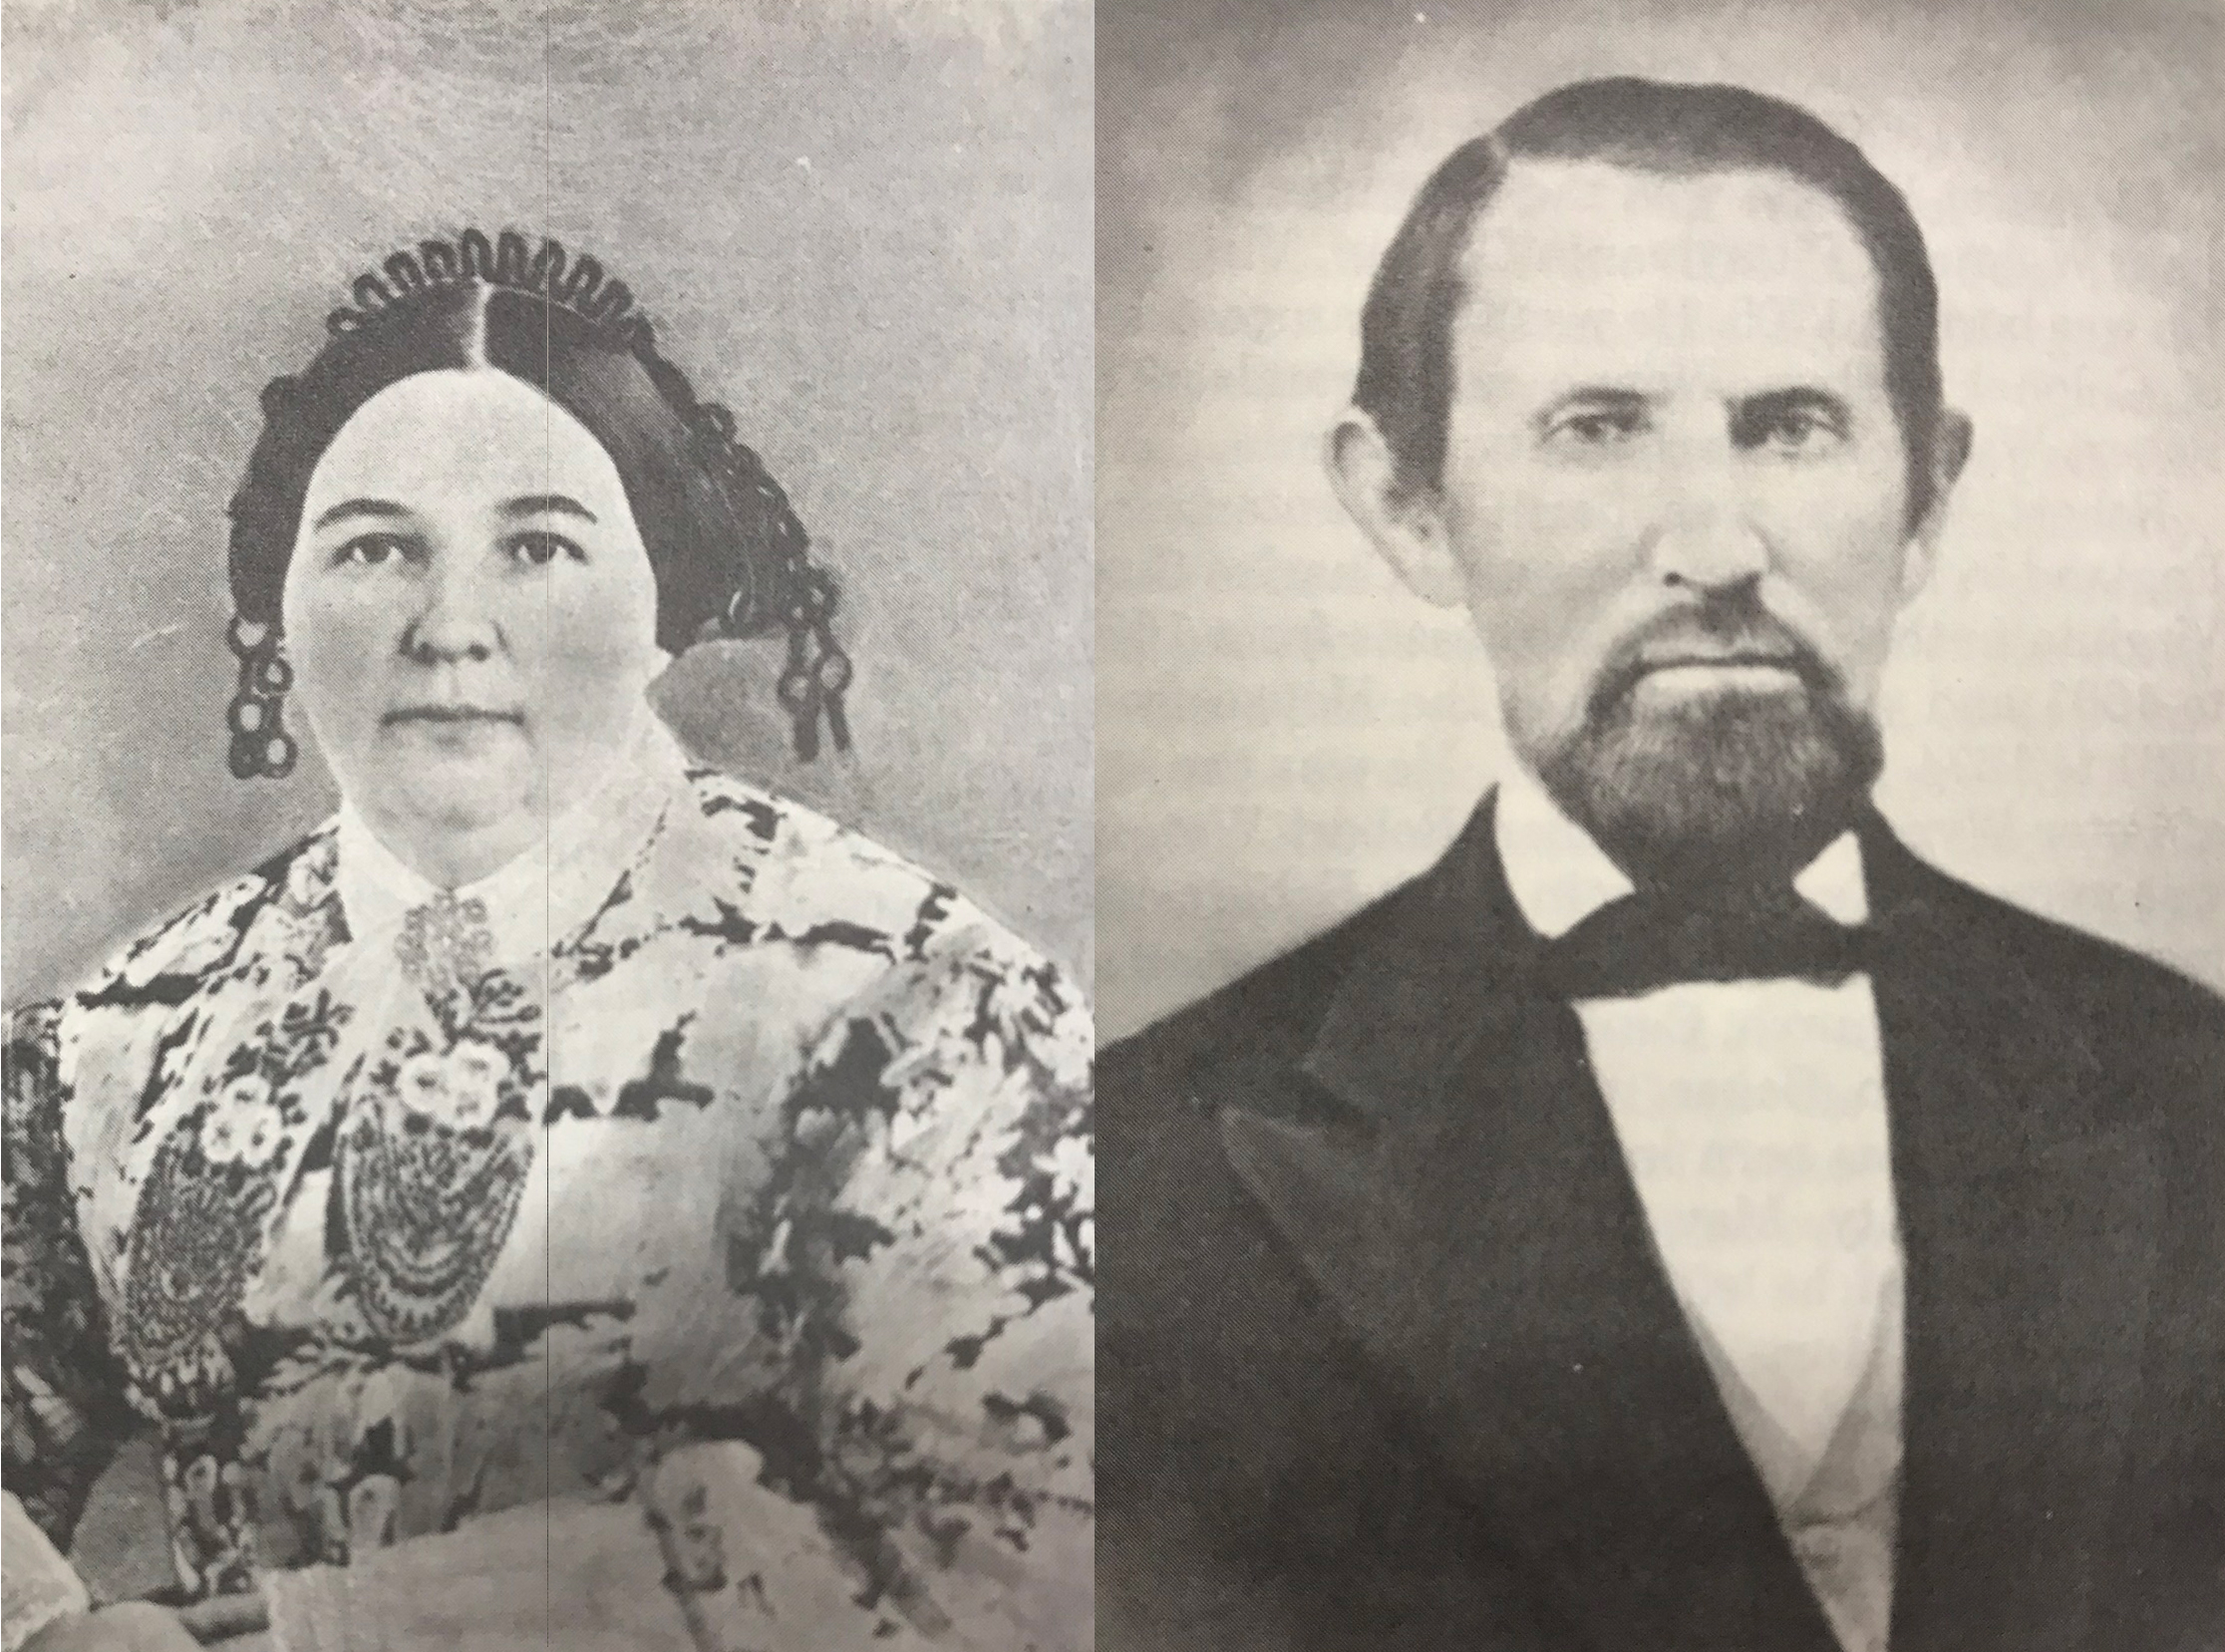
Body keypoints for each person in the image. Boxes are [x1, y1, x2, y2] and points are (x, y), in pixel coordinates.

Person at [1100, 79, 2223, 1652]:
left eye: (1793, 425)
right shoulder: (1136, 1176)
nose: (1716, 541)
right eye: (1599, 428)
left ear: (1927, 499)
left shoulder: (2193, 1088)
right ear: (1409, 508)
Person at [3, 230, 1094, 1652]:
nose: (451, 627)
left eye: (538, 547)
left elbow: (1039, 1541)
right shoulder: (121, 1041)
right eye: (376, 548)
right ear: (281, 608)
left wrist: (333, 1634)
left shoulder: (913, 1000)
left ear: (661, 609)